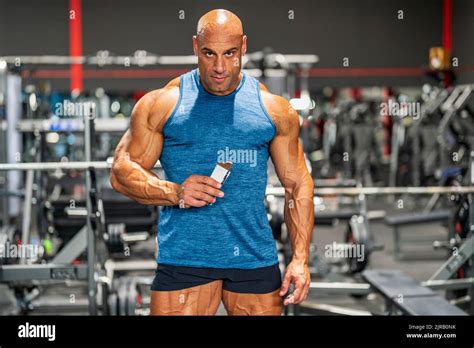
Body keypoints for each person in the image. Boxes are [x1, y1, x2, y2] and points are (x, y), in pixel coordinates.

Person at [110, 9, 314, 315]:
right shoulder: (164, 103)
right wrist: (175, 192)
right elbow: (120, 171)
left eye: (230, 53)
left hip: (252, 255)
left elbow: (297, 184)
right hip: (185, 258)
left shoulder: (274, 109)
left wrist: (300, 259)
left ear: (244, 47)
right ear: (195, 47)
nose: (219, 66)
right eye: (209, 53)